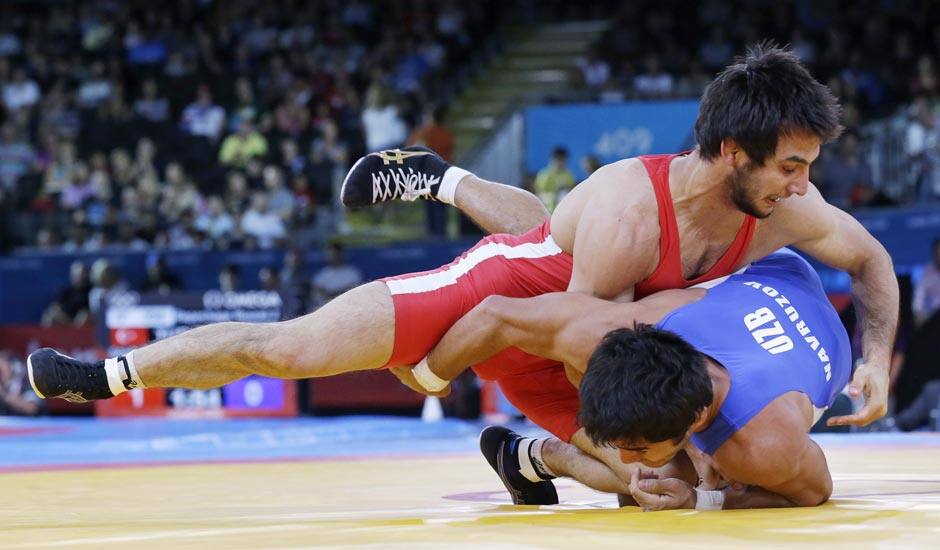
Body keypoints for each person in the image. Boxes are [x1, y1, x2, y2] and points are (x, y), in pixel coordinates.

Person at [27, 45, 892, 434]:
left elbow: (872, 259)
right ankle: (104, 374)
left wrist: (877, 357)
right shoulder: (632, 211)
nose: (802, 187)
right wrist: (440, 367)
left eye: (808, 168)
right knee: (290, 346)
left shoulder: (779, 206)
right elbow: (569, 334)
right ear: (732, 152)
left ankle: (439, 181)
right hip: (507, 301)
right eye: (789, 166)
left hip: (585, 309)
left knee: (660, 479)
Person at [399, 249, 850, 509]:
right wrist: (428, 376)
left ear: (694, 422)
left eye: (635, 445)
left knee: (653, 483)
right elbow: (496, 311)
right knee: (580, 257)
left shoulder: (759, 447)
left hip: (786, 279)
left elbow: (816, 491)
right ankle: (531, 457)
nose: (625, 454)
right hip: (771, 267)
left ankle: (541, 457)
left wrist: (703, 500)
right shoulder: (635, 321)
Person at [533, 146, 575, 212]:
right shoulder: (544, 175)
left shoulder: (569, 175)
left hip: (563, 210)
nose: (561, 163)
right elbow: (539, 193)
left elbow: (571, 192)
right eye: (559, 160)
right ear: (552, 159)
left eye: (563, 160)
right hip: (546, 210)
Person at [913, 238, 940, 327]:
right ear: (933, 254)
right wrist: (918, 313)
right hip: (933, 317)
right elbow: (918, 298)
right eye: (937, 253)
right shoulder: (926, 272)